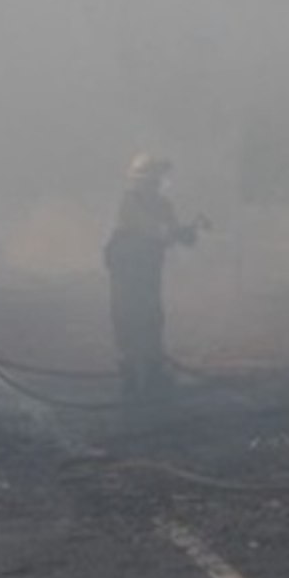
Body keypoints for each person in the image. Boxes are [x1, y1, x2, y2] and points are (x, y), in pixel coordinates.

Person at [104, 153, 200, 400]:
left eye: (157, 180)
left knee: (152, 316)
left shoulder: (162, 204)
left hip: (147, 269)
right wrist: (176, 233)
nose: (156, 185)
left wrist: (187, 233)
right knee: (126, 316)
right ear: (141, 182)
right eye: (152, 180)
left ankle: (152, 371)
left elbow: (171, 232)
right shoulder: (129, 202)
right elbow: (152, 229)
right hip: (127, 269)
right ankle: (130, 374)